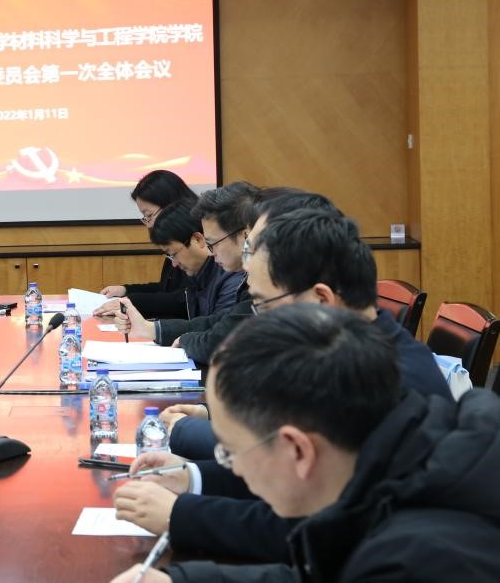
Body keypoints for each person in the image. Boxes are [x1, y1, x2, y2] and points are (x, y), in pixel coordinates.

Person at [112, 208, 452, 564]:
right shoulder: (338, 356)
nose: (254, 320)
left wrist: (182, 515)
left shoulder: (388, 385)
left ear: (321, 301)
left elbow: (317, 534)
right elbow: (282, 470)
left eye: (261, 304)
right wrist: (191, 477)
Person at [109, 304, 500, 582]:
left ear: (297, 450)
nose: (231, 466)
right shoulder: (401, 453)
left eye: (230, 451)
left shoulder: (414, 560)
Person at [101, 181, 258, 355]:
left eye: (212, 243)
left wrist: (179, 338)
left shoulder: (242, 279)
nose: (211, 252)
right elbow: (218, 323)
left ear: (247, 236)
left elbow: (222, 339)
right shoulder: (225, 275)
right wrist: (151, 329)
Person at [100, 170, 199, 319]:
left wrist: (130, 302)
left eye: (149, 215)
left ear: (171, 205)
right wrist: (126, 290)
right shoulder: (175, 240)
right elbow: (166, 289)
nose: (149, 224)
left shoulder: (194, 241)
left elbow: (185, 299)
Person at [145, 200, 245, 319]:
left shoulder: (232, 274)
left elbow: (218, 327)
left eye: (174, 254)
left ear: (198, 239)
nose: (174, 264)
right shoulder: (198, 277)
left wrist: (154, 328)